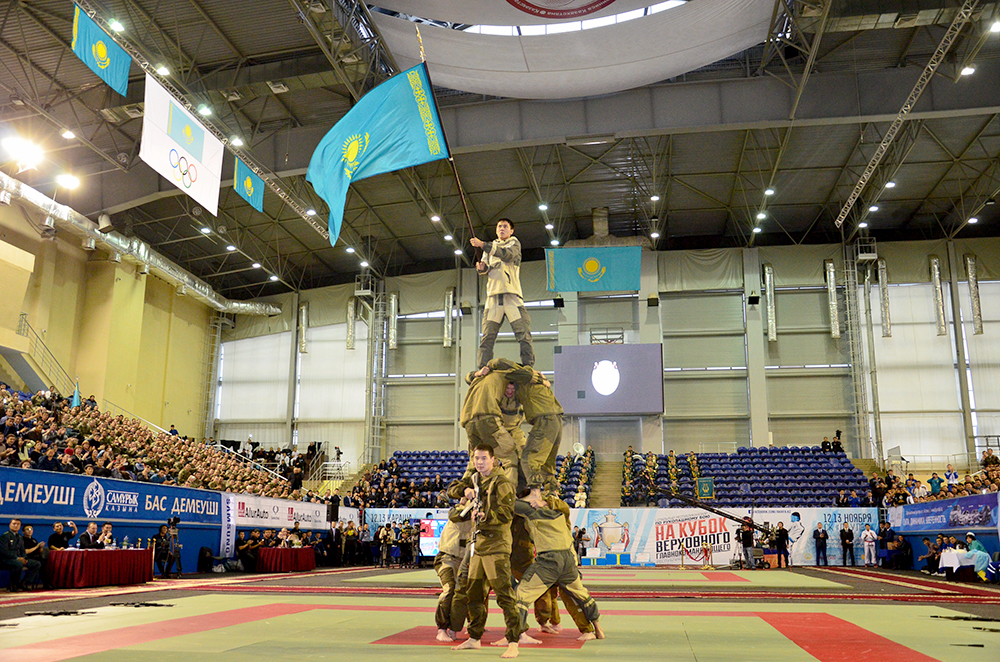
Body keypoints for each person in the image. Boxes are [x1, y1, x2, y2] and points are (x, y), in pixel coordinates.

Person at [507, 490, 604, 656]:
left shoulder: (532, 510)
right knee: (581, 593)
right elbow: (561, 504)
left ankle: (514, 641)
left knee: (521, 594)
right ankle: (597, 629)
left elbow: (510, 503)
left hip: (549, 560)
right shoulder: (560, 513)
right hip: (568, 560)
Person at [449, 444, 520, 658]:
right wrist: (465, 491)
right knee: (474, 595)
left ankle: (514, 641)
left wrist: (484, 518)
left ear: (493, 459)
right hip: (477, 546)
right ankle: (474, 638)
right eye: (476, 458)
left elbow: (507, 515)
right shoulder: (476, 479)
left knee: (505, 596)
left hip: (496, 546)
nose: (479, 462)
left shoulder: (502, 482)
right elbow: (451, 488)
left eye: (483, 458)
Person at [470, 218, 534, 368]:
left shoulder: (514, 243)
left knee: (523, 335)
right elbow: (486, 269)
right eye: (499, 226)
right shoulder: (490, 248)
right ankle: (483, 367)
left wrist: (483, 245)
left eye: (505, 226)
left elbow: (508, 255)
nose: (501, 228)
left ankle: (528, 366)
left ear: (511, 231)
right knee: (487, 337)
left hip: (513, 297)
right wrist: (481, 268)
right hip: (493, 298)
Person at [434, 497, 473, 642]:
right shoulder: (458, 512)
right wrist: (470, 505)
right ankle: (442, 628)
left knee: (463, 594)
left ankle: (457, 627)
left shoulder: (478, 519)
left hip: (464, 561)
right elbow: (456, 515)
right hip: (446, 558)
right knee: (449, 589)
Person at [1, 518, 41, 591]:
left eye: (18, 524)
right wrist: (17, 558)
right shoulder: (5, 536)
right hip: (7, 559)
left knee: (36, 564)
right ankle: (14, 585)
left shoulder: (19, 537)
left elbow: (22, 550)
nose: (16, 526)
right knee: (18, 564)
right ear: (10, 525)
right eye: (14, 524)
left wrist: (24, 558)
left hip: (19, 559)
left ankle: (24, 583)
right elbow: (4, 551)